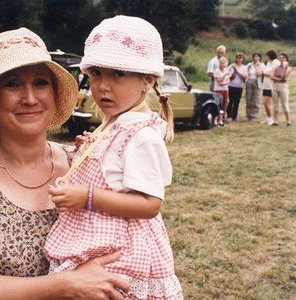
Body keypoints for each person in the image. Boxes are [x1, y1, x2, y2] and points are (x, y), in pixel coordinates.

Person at [0, 28, 130, 299]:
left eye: (41, 82)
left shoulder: (83, 161)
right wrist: (66, 284)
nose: (30, 98)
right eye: (13, 84)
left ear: (54, 95)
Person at [44, 16, 183, 299]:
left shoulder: (141, 135)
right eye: (96, 73)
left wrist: (87, 197)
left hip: (122, 253)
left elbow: (150, 204)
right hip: (96, 241)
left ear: (147, 80)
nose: (103, 86)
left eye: (117, 73)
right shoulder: (115, 123)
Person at [271, 52, 292, 126]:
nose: (281, 59)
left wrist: (285, 67)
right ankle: (275, 121)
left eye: (283, 58)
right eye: (280, 58)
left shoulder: (289, 68)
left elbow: (284, 76)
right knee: (275, 104)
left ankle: (288, 121)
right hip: (275, 86)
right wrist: (278, 78)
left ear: (286, 59)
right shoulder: (275, 67)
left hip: (283, 86)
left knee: (285, 104)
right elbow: (271, 76)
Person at [262, 49, 280, 126]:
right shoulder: (268, 62)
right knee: (265, 103)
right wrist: (266, 73)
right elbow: (265, 72)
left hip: (271, 85)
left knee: (267, 102)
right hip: (265, 85)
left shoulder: (276, 62)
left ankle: (271, 119)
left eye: (267, 55)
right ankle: (268, 117)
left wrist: (266, 73)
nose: (267, 57)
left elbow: (269, 72)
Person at [227, 52, 248, 121]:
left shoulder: (244, 67)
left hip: (239, 86)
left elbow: (246, 77)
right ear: (235, 58)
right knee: (230, 101)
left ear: (243, 59)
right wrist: (232, 74)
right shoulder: (231, 66)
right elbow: (227, 74)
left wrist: (239, 73)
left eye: (240, 58)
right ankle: (229, 115)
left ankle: (234, 116)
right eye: (238, 58)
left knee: (237, 102)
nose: (239, 59)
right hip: (231, 85)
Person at [245, 52, 265, 121]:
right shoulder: (249, 65)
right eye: (254, 56)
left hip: (257, 82)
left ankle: (254, 116)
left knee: (256, 100)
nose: (256, 58)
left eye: (257, 56)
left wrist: (256, 66)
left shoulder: (262, 65)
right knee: (248, 99)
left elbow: (258, 74)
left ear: (260, 57)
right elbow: (245, 73)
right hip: (249, 81)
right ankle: (248, 115)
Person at [213, 56, 231, 126]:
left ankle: (220, 119)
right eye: (221, 63)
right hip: (218, 89)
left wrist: (226, 78)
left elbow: (228, 80)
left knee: (224, 104)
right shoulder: (217, 71)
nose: (223, 64)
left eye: (224, 63)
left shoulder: (226, 70)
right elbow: (219, 81)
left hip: (225, 89)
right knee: (218, 104)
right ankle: (215, 119)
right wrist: (224, 76)